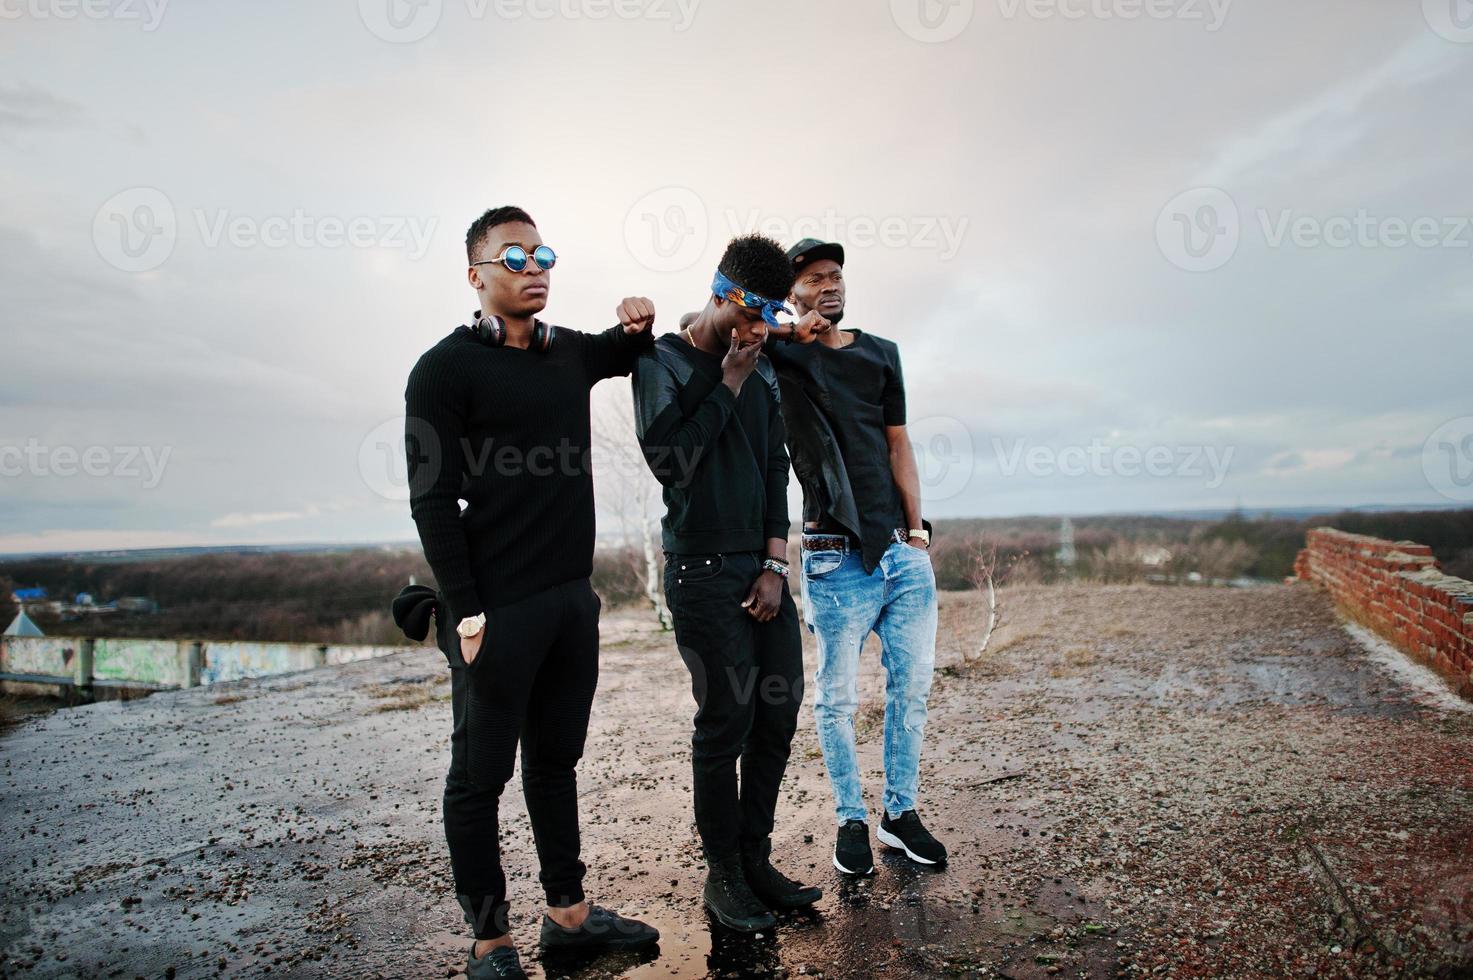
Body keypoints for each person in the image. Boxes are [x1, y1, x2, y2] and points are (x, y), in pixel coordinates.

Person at [404, 205, 660, 980]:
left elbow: (622, 349)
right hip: (495, 610)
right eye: (513, 256)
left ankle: (569, 916)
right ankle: (490, 943)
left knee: (555, 762)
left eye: (542, 252)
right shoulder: (444, 369)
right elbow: (431, 499)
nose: (534, 266)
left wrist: (639, 319)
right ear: (476, 274)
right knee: (480, 779)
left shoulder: (566, 354)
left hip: (567, 603)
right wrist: (466, 612)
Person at [630, 234, 822, 933]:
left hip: (759, 569)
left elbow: (776, 470)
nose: (758, 333)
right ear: (719, 295)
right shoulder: (664, 361)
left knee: (776, 713)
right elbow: (672, 462)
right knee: (725, 721)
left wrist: (776, 565)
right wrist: (730, 380)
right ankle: (722, 877)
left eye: (770, 319)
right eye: (749, 316)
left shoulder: (764, 367)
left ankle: (755, 859)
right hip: (700, 570)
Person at [764, 238, 946, 876]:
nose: (829, 285)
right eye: (813, 278)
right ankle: (851, 819)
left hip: (901, 554)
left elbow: (899, 444)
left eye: (835, 275)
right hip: (833, 555)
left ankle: (900, 814)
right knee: (836, 699)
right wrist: (789, 328)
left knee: (911, 692)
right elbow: (710, 328)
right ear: (794, 293)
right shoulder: (779, 354)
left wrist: (918, 533)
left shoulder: (881, 354)